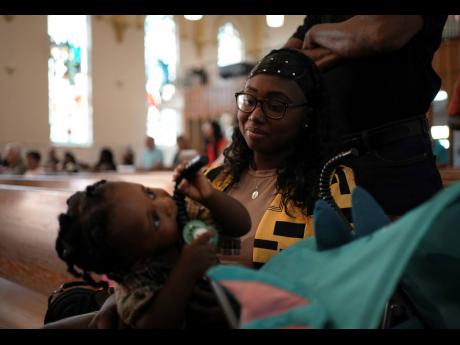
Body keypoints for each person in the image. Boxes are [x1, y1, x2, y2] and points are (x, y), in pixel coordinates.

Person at [283, 15, 447, 217]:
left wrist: (316, 33)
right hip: (326, 155)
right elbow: (286, 66)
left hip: (393, 155)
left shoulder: (317, 29)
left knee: (402, 245)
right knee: (330, 244)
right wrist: (353, 44)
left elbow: (379, 33)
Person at [45, 170, 251, 329]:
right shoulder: (135, 283)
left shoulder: (183, 219)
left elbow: (241, 225)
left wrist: (210, 197)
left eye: (149, 193)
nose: (165, 203)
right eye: (154, 220)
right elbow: (154, 324)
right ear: (138, 259)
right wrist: (186, 270)